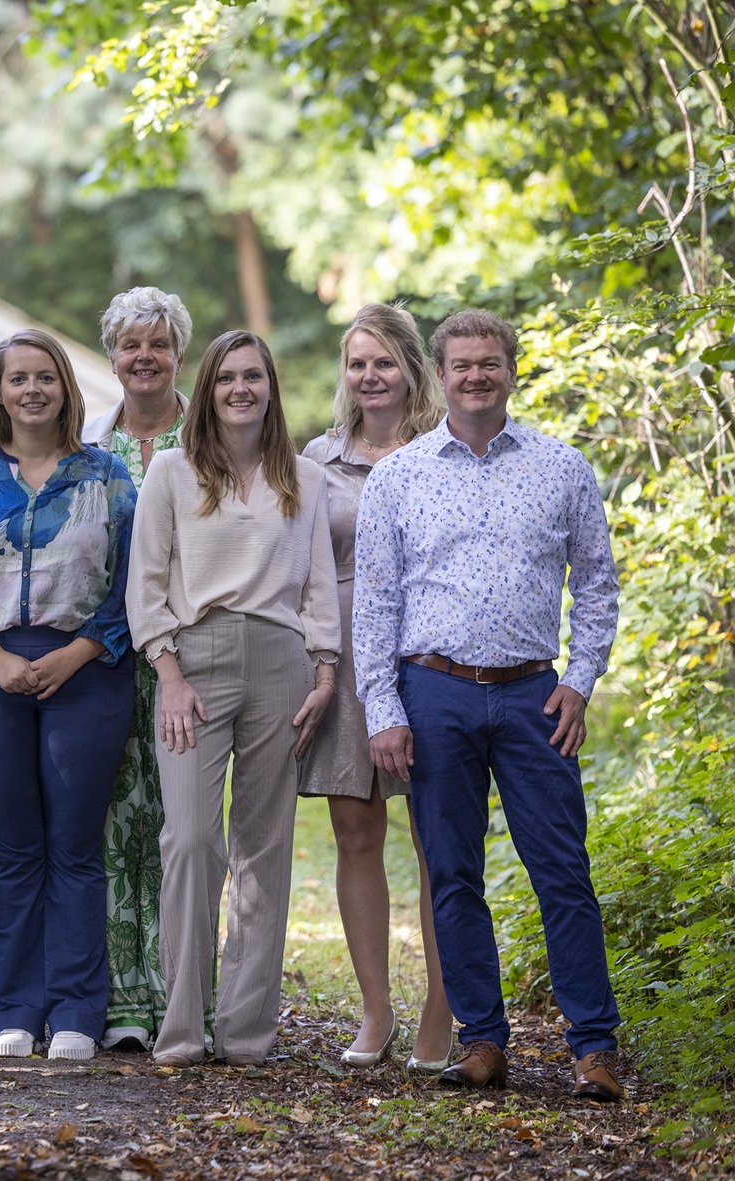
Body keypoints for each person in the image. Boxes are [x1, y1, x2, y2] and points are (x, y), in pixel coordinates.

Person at [353, 309, 625, 1101]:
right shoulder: (398, 477)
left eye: (489, 362)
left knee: (562, 869)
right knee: (451, 872)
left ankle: (593, 1047)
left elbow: (598, 584)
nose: (475, 375)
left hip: (535, 694)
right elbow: (373, 603)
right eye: (461, 364)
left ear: (511, 369)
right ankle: (480, 1041)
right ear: (439, 373)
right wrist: (383, 708)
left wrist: (579, 677)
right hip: (431, 690)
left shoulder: (561, 467)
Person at [126, 329, 339, 1068]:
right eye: (226, 378)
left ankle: (246, 1032)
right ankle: (181, 1027)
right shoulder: (173, 473)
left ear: (270, 387)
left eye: (253, 376)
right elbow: (145, 584)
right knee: (188, 839)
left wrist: (325, 670)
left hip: (282, 663)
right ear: (208, 389)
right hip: (196, 660)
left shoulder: (304, 479)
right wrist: (169, 674)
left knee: (264, 846)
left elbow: (316, 584)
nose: (241, 389)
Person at [0, 329, 138, 1063]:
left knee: (75, 848)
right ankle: (16, 1009)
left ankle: (78, 1011)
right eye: (18, 378)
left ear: (64, 388)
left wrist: (79, 651)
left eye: (44, 376)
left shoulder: (105, 475)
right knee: (13, 849)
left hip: (87, 670)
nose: (32, 390)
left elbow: (131, 583)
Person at [299, 303, 455, 1071]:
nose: (368, 376)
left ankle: (439, 1005)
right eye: (356, 363)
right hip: (341, 657)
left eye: (383, 362)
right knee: (355, 832)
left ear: (410, 368)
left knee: (435, 837)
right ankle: (374, 1007)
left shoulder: (445, 452)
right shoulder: (314, 459)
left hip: (425, 654)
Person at [82, 287, 193, 1052]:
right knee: (117, 828)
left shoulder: (211, 436)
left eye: (157, 343)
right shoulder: (89, 446)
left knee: (185, 832)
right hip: (108, 662)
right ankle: (125, 998)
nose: (143, 356)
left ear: (177, 351)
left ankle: (189, 994)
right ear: (112, 355)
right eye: (130, 344)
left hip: (193, 660)